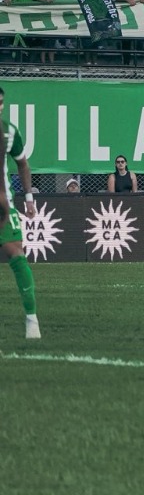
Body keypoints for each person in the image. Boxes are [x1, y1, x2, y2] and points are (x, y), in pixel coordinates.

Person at [0, 87, 39, 338]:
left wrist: (28, 198)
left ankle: (32, 319)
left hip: (3, 204)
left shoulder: (9, 131)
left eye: (0, 102)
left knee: (16, 252)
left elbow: (22, 163)